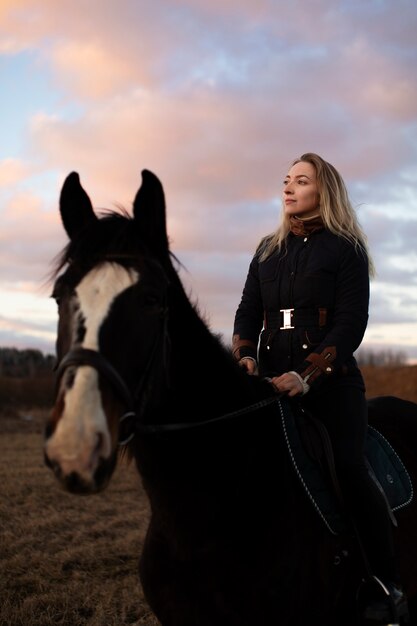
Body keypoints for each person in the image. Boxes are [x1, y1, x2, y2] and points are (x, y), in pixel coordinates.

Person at [232, 152, 408, 622]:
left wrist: (307, 376)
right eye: (286, 180)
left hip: (333, 387)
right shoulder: (267, 250)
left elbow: (350, 325)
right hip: (268, 383)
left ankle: (386, 584)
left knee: (349, 468)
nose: (288, 188)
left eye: (301, 181)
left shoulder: (347, 248)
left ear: (322, 191)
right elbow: (248, 312)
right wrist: (246, 356)